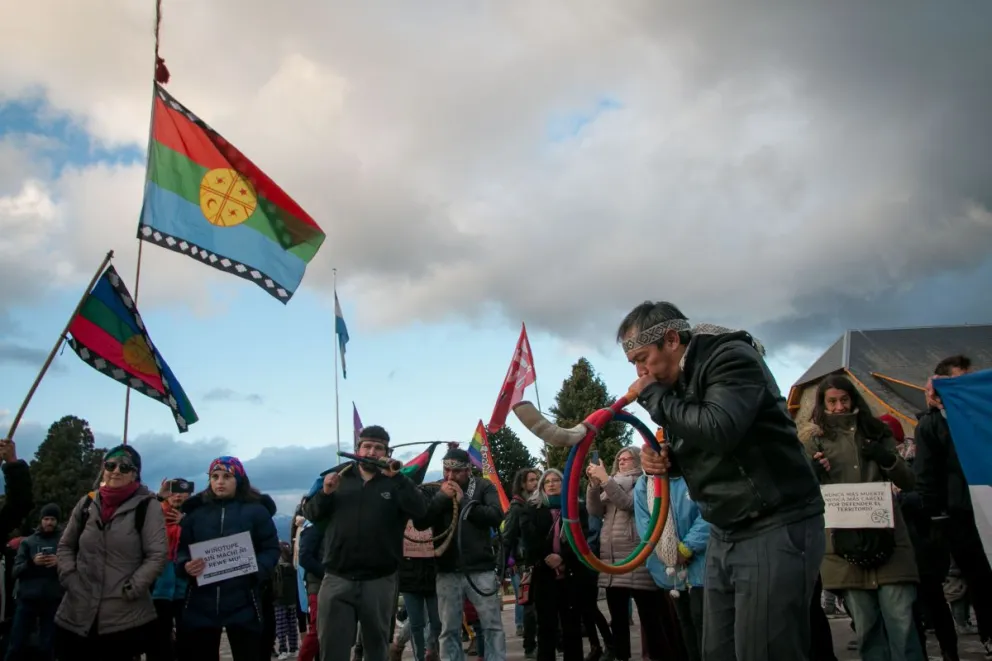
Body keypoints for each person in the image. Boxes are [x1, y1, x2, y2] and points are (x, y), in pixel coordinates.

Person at [618, 301, 825, 661]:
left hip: (775, 521)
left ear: (671, 340)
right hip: (726, 529)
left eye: (642, 358)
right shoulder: (676, 384)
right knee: (716, 650)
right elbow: (708, 448)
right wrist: (668, 462)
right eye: (634, 363)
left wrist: (654, 397)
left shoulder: (730, 357)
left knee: (764, 650)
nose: (640, 372)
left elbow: (719, 428)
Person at [799, 375, 922, 661]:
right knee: (867, 629)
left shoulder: (876, 432)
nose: (839, 407)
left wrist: (887, 459)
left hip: (889, 540)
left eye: (844, 399)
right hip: (844, 547)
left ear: (853, 398)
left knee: (902, 622)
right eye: (832, 401)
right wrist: (814, 474)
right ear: (822, 404)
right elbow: (800, 493)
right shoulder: (813, 440)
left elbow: (909, 481)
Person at [303, 425, 428, 661]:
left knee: (377, 648)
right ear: (357, 449)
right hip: (337, 577)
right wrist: (325, 493)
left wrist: (399, 479)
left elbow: (421, 512)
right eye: (367, 446)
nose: (371, 452)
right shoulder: (337, 477)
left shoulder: (396, 482)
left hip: (380, 579)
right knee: (332, 647)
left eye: (378, 448)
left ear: (387, 453)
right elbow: (311, 514)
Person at [54, 444, 168, 661]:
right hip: (78, 609)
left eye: (124, 467)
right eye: (110, 465)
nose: (116, 471)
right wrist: (69, 577)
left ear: (135, 473)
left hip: (122, 614)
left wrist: (133, 587)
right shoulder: (87, 503)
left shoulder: (147, 506)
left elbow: (157, 554)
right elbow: (66, 546)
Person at [915, 354, 992, 658]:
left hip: (985, 505)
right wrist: (936, 518)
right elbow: (926, 475)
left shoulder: (982, 415)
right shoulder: (931, 425)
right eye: (959, 382)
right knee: (979, 579)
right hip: (961, 516)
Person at [176, 456, 281, 661]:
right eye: (214, 477)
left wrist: (256, 569)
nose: (220, 482)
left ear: (239, 480)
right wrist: (186, 565)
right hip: (201, 604)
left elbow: (270, 549)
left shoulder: (256, 511)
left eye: (227, 476)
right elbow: (181, 551)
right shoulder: (196, 513)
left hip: (244, 601)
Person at [415, 446, 506, 661]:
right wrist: (441, 498)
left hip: (480, 567)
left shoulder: (483, 486)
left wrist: (463, 501)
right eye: (446, 470)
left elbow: (496, 516)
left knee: (492, 624)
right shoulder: (435, 489)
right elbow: (421, 522)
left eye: (456, 471)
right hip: (447, 569)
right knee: (449, 628)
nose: (450, 476)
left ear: (467, 470)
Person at [633, 455, 708, 661]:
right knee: (685, 627)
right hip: (670, 571)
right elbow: (645, 524)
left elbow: (709, 513)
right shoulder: (643, 484)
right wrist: (667, 552)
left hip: (704, 568)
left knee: (705, 627)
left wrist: (686, 548)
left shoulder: (694, 472)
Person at [7, 503, 63, 660]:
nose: (49, 522)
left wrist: (60, 563)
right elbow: (15, 571)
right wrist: (32, 563)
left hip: (53, 599)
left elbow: (76, 567)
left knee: (47, 646)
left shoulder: (64, 542)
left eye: (52, 519)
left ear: (57, 521)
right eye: (46, 519)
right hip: (27, 600)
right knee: (16, 643)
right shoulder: (28, 542)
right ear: (41, 520)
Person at [150, 477, 194, 661]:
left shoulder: (193, 516)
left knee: (187, 638)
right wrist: (158, 498)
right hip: (158, 587)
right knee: (159, 637)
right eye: (173, 492)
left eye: (182, 492)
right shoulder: (154, 513)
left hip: (185, 586)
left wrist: (185, 522)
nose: (177, 496)